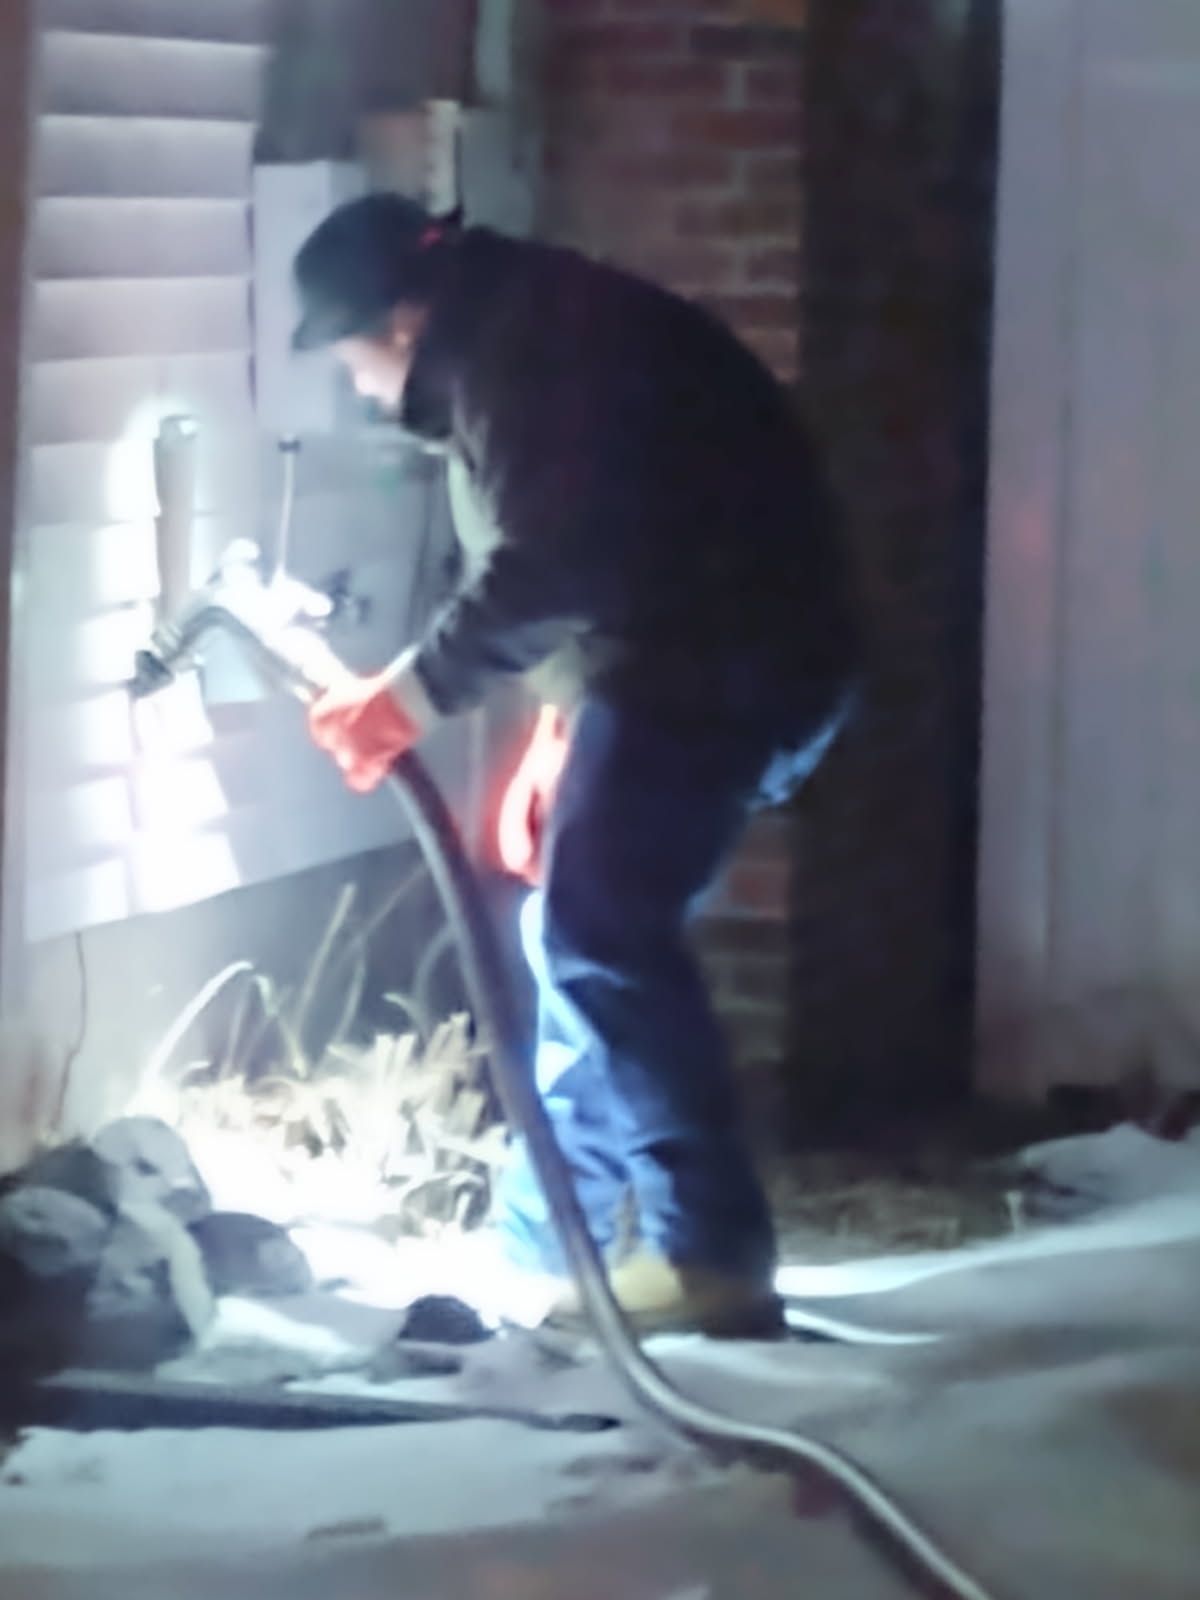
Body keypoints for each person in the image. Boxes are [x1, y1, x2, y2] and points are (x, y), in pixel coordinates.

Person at [294, 195, 859, 1337]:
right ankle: (543, 1243)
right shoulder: (524, 329)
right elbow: (618, 526)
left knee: (602, 932)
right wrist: (565, 718)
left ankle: (714, 1256)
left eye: (351, 357)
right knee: (582, 936)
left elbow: (561, 558)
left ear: (401, 319)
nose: (356, 388)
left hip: (724, 659)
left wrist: (403, 700)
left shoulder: (525, 356)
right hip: (702, 652)